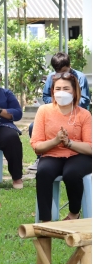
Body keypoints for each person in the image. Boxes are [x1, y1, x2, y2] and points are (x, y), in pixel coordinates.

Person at [31, 73, 92, 221]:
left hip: (78, 156)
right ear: (52, 91)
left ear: (75, 91)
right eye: (58, 88)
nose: (61, 92)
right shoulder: (44, 111)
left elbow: (90, 147)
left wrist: (69, 143)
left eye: (66, 88)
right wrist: (56, 140)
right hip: (51, 154)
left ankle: (74, 213)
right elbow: (37, 146)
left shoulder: (84, 114)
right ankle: (45, 221)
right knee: (43, 172)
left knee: (72, 173)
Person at [28, 52, 90, 170]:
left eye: (64, 71)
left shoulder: (80, 77)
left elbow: (85, 99)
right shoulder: (52, 77)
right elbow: (46, 96)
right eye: (59, 72)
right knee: (33, 127)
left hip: (74, 114)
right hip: (55, 113)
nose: (61, 75)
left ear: (69, 66)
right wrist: (57, 102)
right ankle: (40, 157)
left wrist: (69, 104)